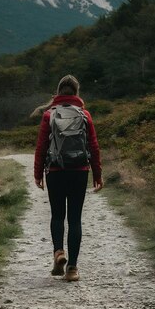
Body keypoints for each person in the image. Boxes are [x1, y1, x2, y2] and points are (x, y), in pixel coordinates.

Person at [33, 74, 103, 282]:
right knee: (75, 219)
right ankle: (72, 269)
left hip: (55, 171)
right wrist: (97, 175)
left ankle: (58, 253)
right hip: (80, 171)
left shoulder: (49, 115)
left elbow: (41, 147)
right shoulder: (85, 115)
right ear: (76, 93)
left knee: (57, 216)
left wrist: (38, 174)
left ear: (58, 92)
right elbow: (94, 147)